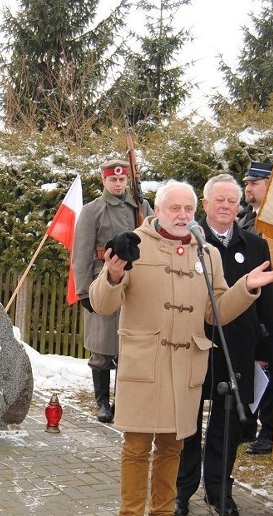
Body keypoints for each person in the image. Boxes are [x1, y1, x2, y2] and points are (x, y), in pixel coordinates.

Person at [89, 180, 273, 516]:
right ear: (157, 210)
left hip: (186, 365)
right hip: (144, 365)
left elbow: (216, 312)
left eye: (187, 208)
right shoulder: (134, 244)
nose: (182, 216)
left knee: (173, 446)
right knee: (136, 448)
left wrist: (247, 286)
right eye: (174, 208)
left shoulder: (207, 254)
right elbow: (102, 303)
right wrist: (112, 274)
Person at [174, 173, 273, 516]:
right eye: (219, 200)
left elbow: (268, 305)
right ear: (204, 204)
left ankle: (219, 490)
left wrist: (265, 353)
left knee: (228, 422)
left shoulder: (256, 246)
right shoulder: (187, 241)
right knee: (186, 423)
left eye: (232, 201)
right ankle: (181, 490)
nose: (226, 206)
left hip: (239, 348)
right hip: (195, 344)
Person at [73, 159, 153, 423]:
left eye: (122, 180)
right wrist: (84, 291)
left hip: (138, 284)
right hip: (103, 284)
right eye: (113, 180)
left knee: (130, 347)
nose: (118, 184)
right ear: (103, 181)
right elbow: (81, 253)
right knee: (102, 347)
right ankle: (103, 403)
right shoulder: (92, 210)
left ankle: (124, 400)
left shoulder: (141, 207)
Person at [236, 160, 273, 454]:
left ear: (271, 186)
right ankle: (248, 423)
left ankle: (270, 431)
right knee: (251, 367)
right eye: (247, 183)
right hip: (247, 303)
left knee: (272, 369)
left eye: (254, 183)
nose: (248, 187)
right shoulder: (246, 219)